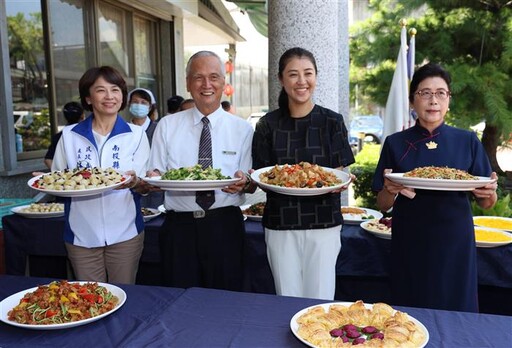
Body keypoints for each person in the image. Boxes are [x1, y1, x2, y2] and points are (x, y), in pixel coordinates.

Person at [372, 63, 498, 312]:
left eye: (441, 93)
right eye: (425, 93)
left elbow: (487, 201)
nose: (433, 100)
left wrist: (489, 193)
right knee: (409, 310)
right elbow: (383, 203)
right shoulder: (396, 143)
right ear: (412, 101)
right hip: (410, 238)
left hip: (455, 239)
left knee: (456, 308)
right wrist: (389, 189)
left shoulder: (467, 141)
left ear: (449, 99)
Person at [251, 47, 355, 300]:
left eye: (308, 73)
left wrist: (338, 183)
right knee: (285, 297)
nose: (301, 81)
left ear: (316, 77)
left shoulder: (332, 121)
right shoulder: (267, 124)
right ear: (281, 79)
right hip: (280, 223)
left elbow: (337, 172)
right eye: (293, 74)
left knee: (321, 299)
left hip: (324, 223)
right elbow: (263, 175)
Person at [147, 51, 254, 291]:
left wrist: (245, 182)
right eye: (198, 77)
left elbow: (249, 180)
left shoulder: (242, 129)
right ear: (187, 83)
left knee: (228, 299)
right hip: (179, 228)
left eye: (214, 77)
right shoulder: (167, 125)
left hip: (225, 226)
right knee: (179, 300)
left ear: (224, 84)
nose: (207, 85)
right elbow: (155, 173)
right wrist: (152, 178)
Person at [51, 66, 151, 284]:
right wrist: (49, 180)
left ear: (122, 96)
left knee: (124, 295)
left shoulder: (136, 136)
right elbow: (57, 179)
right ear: (88, 98)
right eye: (100, 90)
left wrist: (135, 182)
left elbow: (144, 184)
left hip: (126, 233)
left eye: (115, 90)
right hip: (81, 235)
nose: (109, 97)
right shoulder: (69, 136)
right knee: (89, 300)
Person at [128, 87, 164, 208]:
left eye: (143, 103)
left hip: (155, 187)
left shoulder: (159, 128)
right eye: (135, 102)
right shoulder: (124, 131)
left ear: (150, 107)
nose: (139, 105)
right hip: (130, 187)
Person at [44, 102, 84, 169]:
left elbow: (48, 160)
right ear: (82, 116)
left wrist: (59, 175)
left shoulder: (60, 136)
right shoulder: (87, 134)